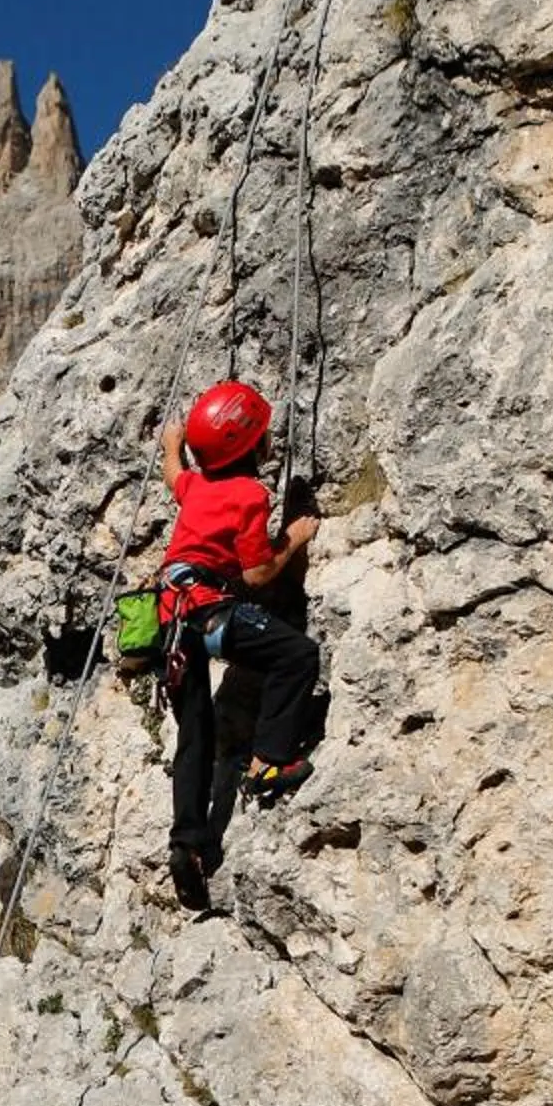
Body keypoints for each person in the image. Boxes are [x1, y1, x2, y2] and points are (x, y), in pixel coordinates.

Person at [157, 381, 321, 909]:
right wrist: (294, 537)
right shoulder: (251, 495)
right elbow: (256, 573)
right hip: (209, 614)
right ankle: (269, 761)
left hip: (170, 620)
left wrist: (170, 447)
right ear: (250, 444)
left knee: (195, 736)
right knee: (297, 655)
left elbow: (175, 479)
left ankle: (188, 845)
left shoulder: (198, 487)